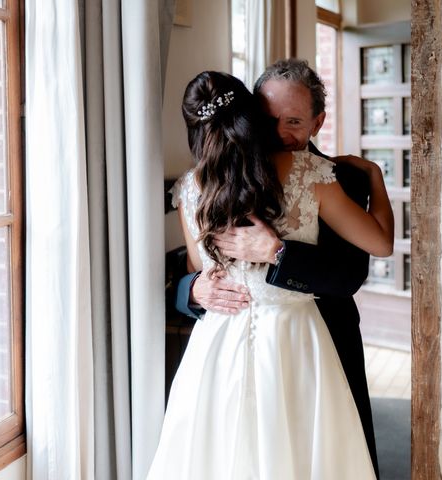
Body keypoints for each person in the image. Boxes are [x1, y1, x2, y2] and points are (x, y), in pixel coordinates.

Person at [148, 71, 392, 479]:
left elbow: (349, 276)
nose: (279, 131)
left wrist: (278, 252)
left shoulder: (332, 175)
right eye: (269, 118)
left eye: (293, 121)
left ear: (318, 122)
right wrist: (196, 290)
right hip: (270, 337)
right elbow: (195, 275)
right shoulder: (301, 173)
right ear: (250, 116)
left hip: (296, 342)